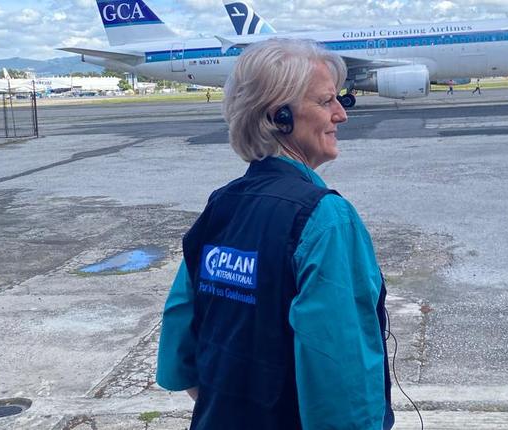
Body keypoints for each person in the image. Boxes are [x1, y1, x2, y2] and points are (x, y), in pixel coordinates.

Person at [156, 38, 394, 430]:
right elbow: (339, 369)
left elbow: (179, 342)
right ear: (279, 116)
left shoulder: (222, 204)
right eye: (325, 101)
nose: (341, 114)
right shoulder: (326, 218)